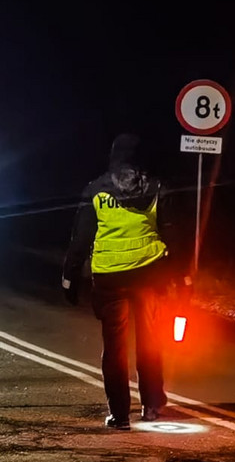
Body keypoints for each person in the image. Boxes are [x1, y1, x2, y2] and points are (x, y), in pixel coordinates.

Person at [62, 133, 181, 430]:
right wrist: (181, 275)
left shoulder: (96, 190)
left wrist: (70, 276)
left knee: (114, 347)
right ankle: (152, 405)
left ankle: (120, 415)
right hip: (150, 274)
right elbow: (171, 233)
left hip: (109, 277)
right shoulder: (157, 187)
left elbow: (81, 238)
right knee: (150, 340)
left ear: (113, 156)